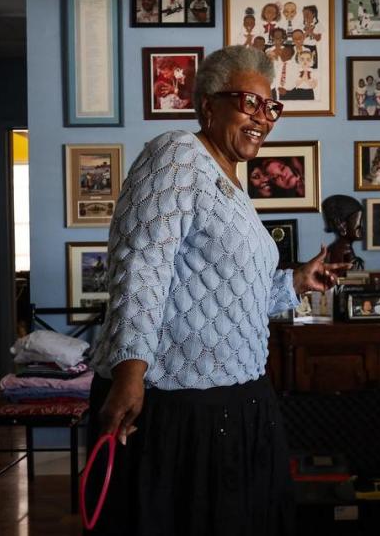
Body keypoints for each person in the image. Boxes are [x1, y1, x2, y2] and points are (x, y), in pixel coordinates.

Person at [86, 45, 347, 536]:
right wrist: (129, 375)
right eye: (249, 102)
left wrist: (293, 282)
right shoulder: (178, 154)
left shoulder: (229, 182)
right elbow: (142, 268)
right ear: (208, 104)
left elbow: (228, 299)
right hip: (177, 406)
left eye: (270, 107)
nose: (263, 118)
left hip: (237, 400)